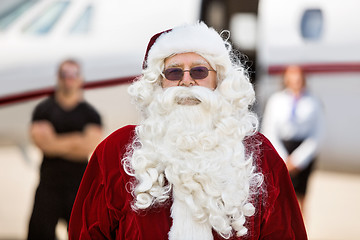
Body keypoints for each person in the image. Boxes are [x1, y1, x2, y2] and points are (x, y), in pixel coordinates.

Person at [69, 22, 307, 240]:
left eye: (199, 71)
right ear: (158, 84)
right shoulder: (116, 151)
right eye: (173, 72)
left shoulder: (259, 155)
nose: (186, 81)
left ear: (219, 82)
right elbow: (86, 232)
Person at [27, 59, 103, 239]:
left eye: (73, 74)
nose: (68, 79)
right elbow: (44, 145)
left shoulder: (90, 113)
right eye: (64, 74)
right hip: (48, 187)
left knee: (82, 235)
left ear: (80, 79)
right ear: (58, 78)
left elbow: (89, 146)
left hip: (79, 189)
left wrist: (55, 141)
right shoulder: (43, 110)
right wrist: (76, 140)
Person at [261, 65, 324, 211]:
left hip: (303, 151)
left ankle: (302, 230)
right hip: (282, 149)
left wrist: (298, 159)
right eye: (292, 75)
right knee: (279, 194)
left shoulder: (313, 102)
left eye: (298, 76)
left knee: (301, 196)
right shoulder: (276, 100)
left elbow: (318, 133)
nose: (295, 79)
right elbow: (269, 129)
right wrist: (283, 158)